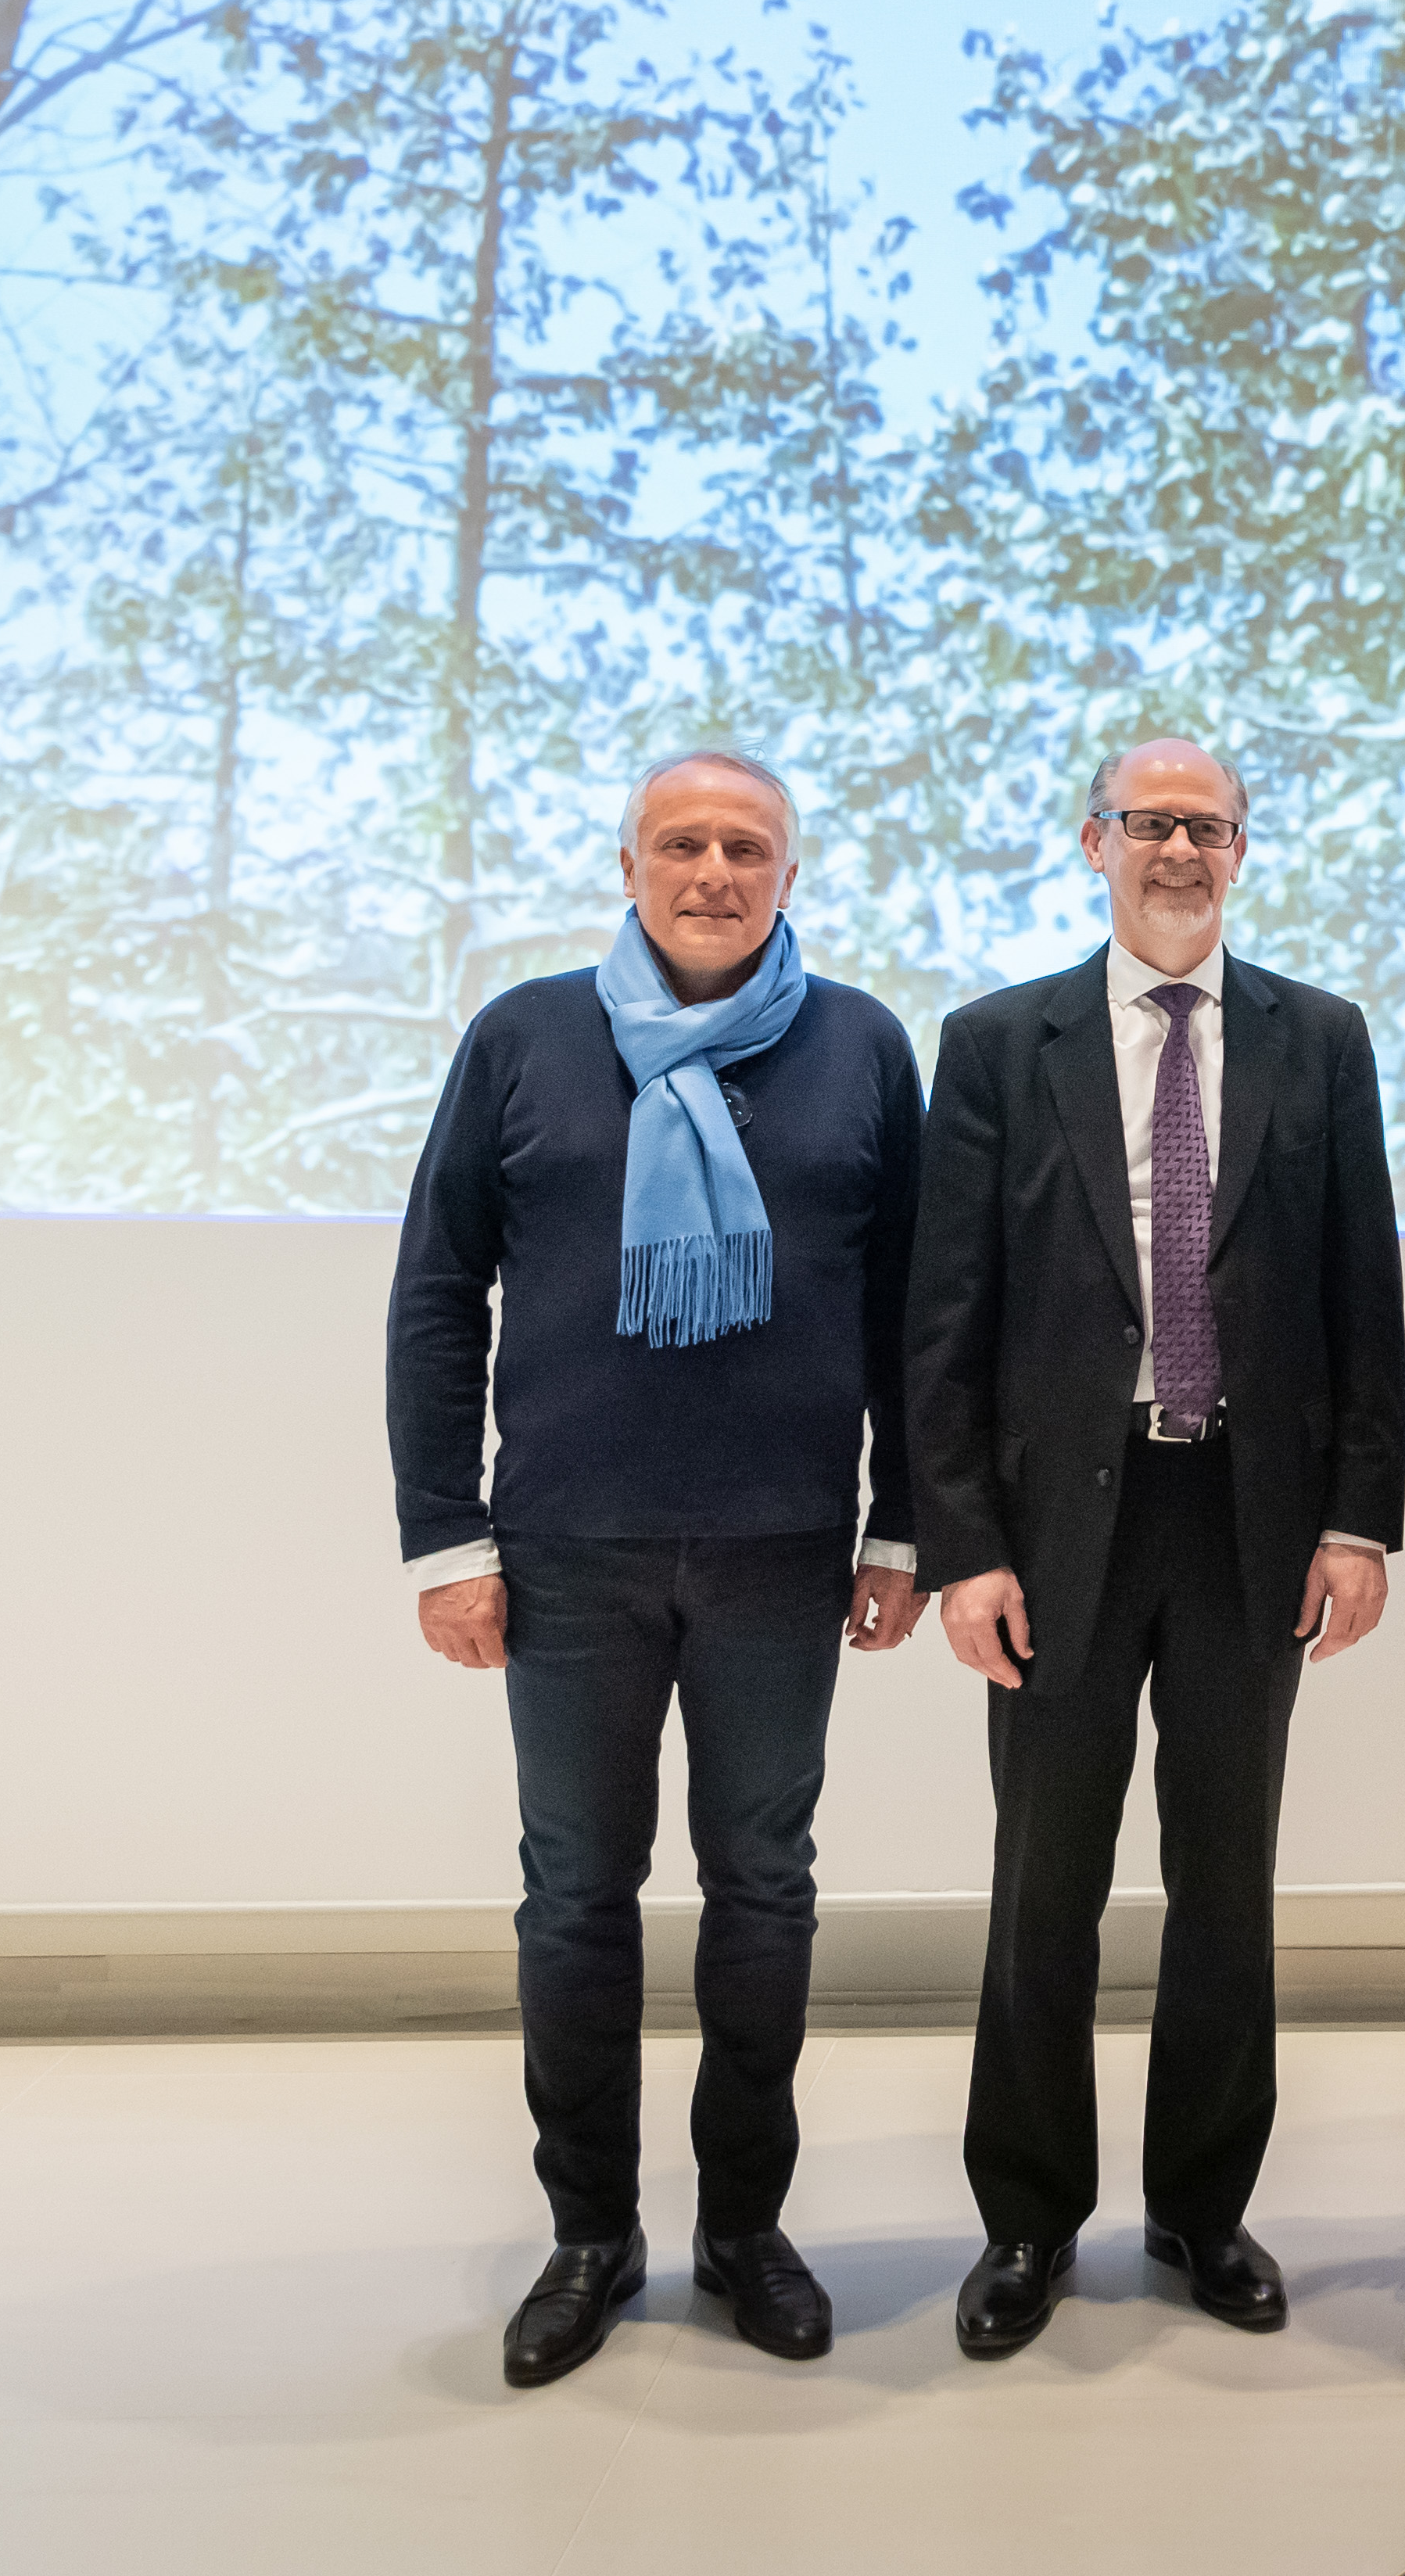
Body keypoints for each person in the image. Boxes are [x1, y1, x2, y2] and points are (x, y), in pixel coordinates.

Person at [390, 749, 927, 2391]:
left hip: (782, 1549)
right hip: (566, 1551)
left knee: (764, 1888)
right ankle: (592, 2233)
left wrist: (903, 1524)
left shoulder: (860, 1046)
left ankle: (747, 2229)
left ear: (788, 876)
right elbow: (437, 1293)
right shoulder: (525, 1038)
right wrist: (446, 1537)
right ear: (626, 866)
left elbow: (913, 1310)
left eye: (746, 847)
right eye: (681, 843)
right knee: (576, 1897)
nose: (713, 871)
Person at [908, 738, 1405, 2358]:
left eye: (1208, 826)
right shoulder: (999, 1043)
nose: (1178, 849)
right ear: (1094, 842)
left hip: (1246, 1521)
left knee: (1226, 1881)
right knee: (1042, 1886)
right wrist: (962, 1545)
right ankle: (1028, 2218)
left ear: (1241, 850)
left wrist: (1357, 1518)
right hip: (1060, 1526)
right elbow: (945, 1316)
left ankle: (1203, 2206)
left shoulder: (1319, 1038)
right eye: (1149, 823)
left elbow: (1361, 1294)